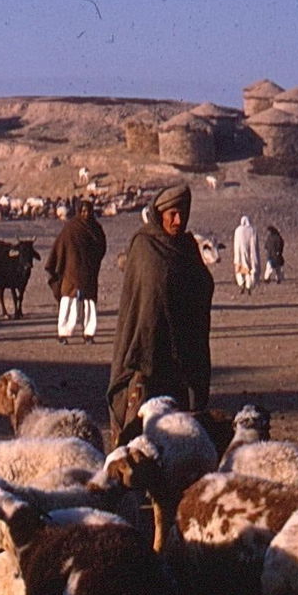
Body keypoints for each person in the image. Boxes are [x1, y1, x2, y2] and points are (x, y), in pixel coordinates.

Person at [106, 183, 215, 446]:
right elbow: (145, 301)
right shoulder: (145, 246)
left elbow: (202, 285)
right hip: (148, 351)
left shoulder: (187, 248)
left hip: (184, 353)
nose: (178, 221)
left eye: (182, 214)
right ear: (160, 214)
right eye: (172, 215)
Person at [44, 199, 106, 344]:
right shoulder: (70, 228)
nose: (86, 214)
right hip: (70, 272)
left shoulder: (96, 228)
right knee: (68, 302)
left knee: (89, 303)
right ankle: (63, 333)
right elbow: (60, 247)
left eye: (88, 211)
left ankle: (89, 333)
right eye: (83, 211)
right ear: (78, 211)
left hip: (89, 272)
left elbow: (101, 247)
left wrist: (92, 261)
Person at [232, 215, 259, 295]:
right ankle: (249, 286)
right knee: (249, 271)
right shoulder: (252, 230)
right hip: (250, 254)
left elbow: (236, 244)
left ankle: (241, 284)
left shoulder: (238, 230)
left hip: (239, 255)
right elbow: (254, 243)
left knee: (240, 270)